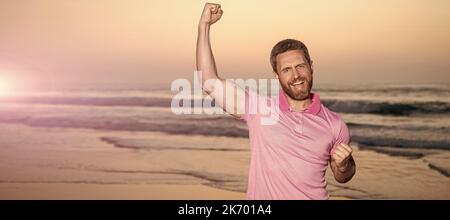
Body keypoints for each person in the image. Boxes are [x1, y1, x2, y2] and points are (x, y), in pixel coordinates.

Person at [196, 3, 355, 200]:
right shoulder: (259, 109)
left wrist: (344, 164)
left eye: (300, 66)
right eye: (286, 69)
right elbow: (209, 83)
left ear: (311, 67)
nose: (296, 75)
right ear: (276, 75)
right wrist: (204, 26)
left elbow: (343, 176)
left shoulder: (335, 124)